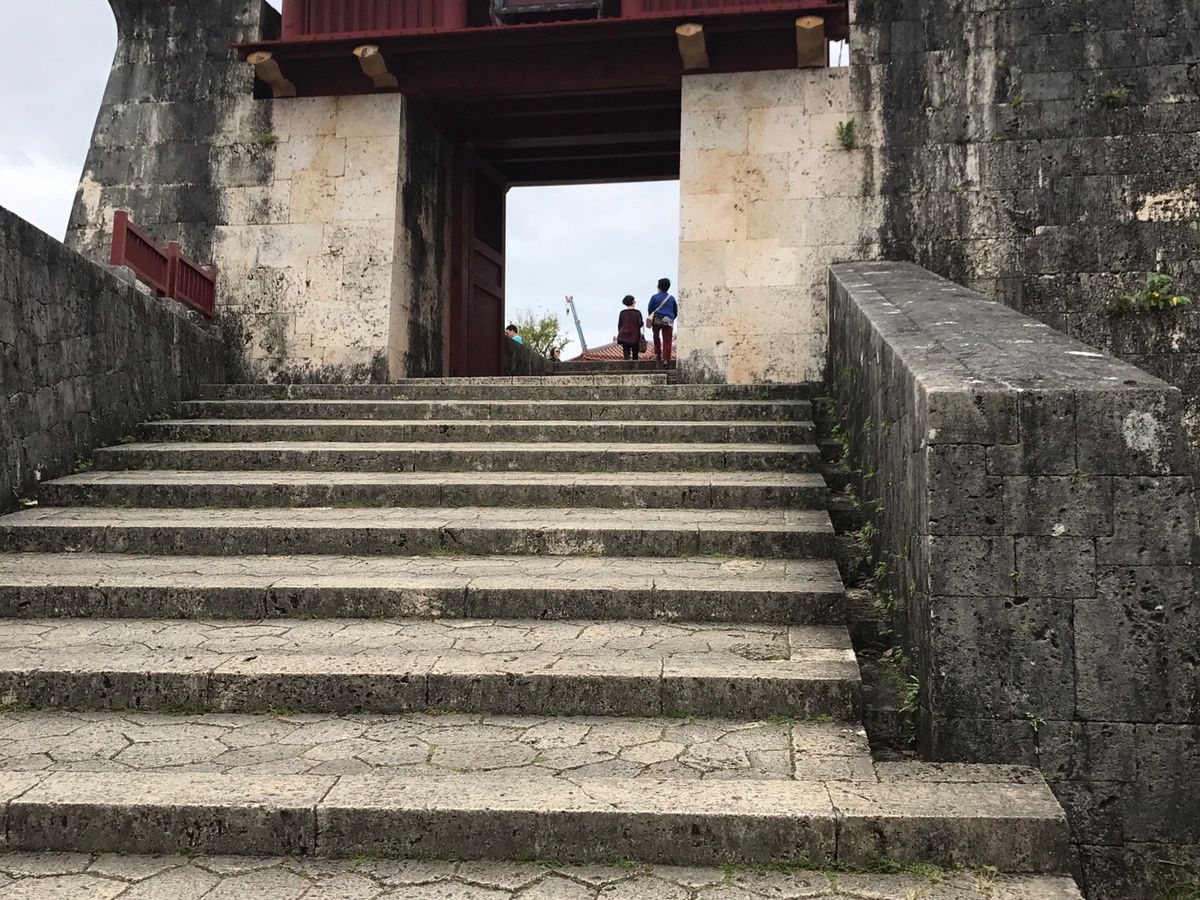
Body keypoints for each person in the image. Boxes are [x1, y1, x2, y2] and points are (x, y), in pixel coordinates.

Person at [648, 278, 678, 363]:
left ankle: (658, 354)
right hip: (668, 320)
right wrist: (671, 318)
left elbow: (650, 309)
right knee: (667, 340)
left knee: (656, 337)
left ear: (659, 287)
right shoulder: (671, 298)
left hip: (657, 319)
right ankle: (666, 359)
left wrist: (651, 317)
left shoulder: (654, 297)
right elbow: (675, 311)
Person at [615, 295, 645, 361]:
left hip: (624, 335)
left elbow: (620, 325)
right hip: (635, 335)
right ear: (632, 302)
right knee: (635, 354)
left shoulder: (622, 313)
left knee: (626, 353)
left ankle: (626, 364)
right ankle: (635, 365)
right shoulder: (637, 313)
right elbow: (640, 324)